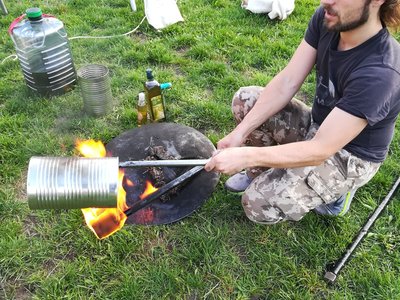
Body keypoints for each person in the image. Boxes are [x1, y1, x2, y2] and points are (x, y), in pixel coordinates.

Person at [205, 0, 400, 224]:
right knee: (245, 100)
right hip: (319, 126)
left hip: (349, 154)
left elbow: (320, 149)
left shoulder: (382, 72)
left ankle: (337, 194)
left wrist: (246, 155)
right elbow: (287, 81)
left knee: (258, 203)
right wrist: (240, 133)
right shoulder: (330, 17)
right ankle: (260, 172)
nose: (325, 1)